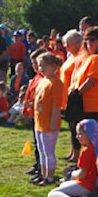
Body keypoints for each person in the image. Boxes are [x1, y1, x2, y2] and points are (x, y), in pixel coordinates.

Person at [47, 119, 98, 197]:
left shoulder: (87, 151)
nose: (77, 137)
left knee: (53, 192)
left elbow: (82, 174)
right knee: (63, 185)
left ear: (89, 133)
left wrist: (72, 175)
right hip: (95, 186)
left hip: (86, 185)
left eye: (80, 134)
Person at [32, 51, 64, 186]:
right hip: (39, 122)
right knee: (41, 150)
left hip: (48, 123)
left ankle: (50, 177)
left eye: (44, 65)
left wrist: (53, 121)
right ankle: (44, 175)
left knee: (48, 151)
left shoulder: (56, 83)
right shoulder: (43, 81)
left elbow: (57, 105)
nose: (41, 68)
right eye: (40, 65)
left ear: (53, 66)